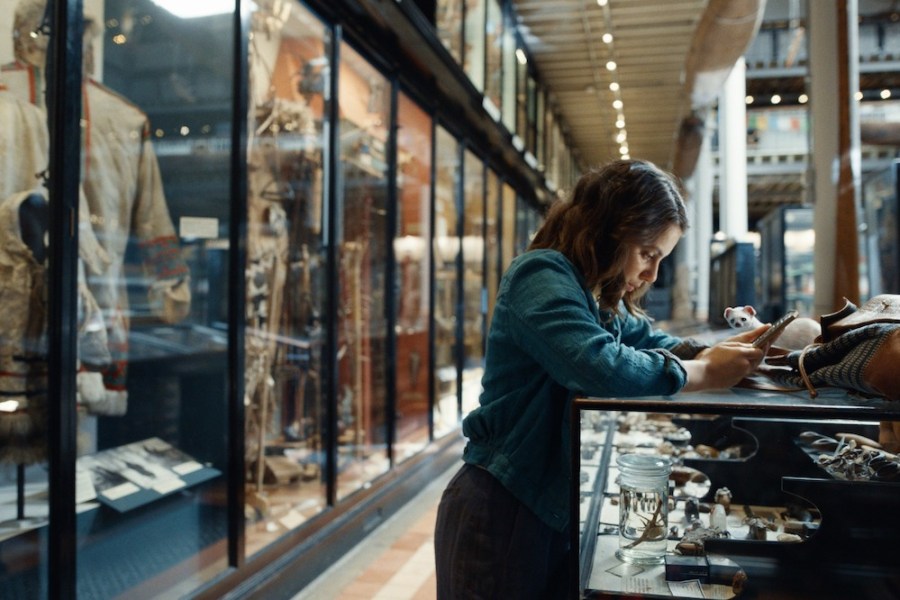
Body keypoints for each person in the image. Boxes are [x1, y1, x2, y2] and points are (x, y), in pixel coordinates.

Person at [433, 159, 769, 599]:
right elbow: (600, 364)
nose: (651, 274)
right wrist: (704, 371)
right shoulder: (541, 275)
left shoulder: (589, 293)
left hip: (542, 512)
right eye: (648, 254)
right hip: (499, 509)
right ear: (612, 230)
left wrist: (720, 350)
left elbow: (647, 338)